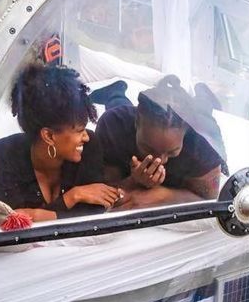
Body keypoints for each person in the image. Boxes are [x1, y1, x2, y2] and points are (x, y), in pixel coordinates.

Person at [0, 64, 122, 224]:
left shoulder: (89, 146)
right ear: (49, 136)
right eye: (79, 130)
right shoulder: (4, 153)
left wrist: (37, 215)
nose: (85, 137)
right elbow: (14, 222)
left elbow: (93, 213)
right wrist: (73, 196)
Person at [95, 75, 224, 208]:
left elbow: (210, 200)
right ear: (137, 121)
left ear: (186, 131)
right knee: (117, 107)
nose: (160, 160)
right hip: (126, 118)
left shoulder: (202, 142)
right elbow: (105, 186)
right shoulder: (114, 124)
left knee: (203, 112)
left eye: (172, 152)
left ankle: (203, 95)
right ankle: (115, 92)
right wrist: (133, 181)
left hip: (201, 120)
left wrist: (163, 195)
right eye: (148, 149)